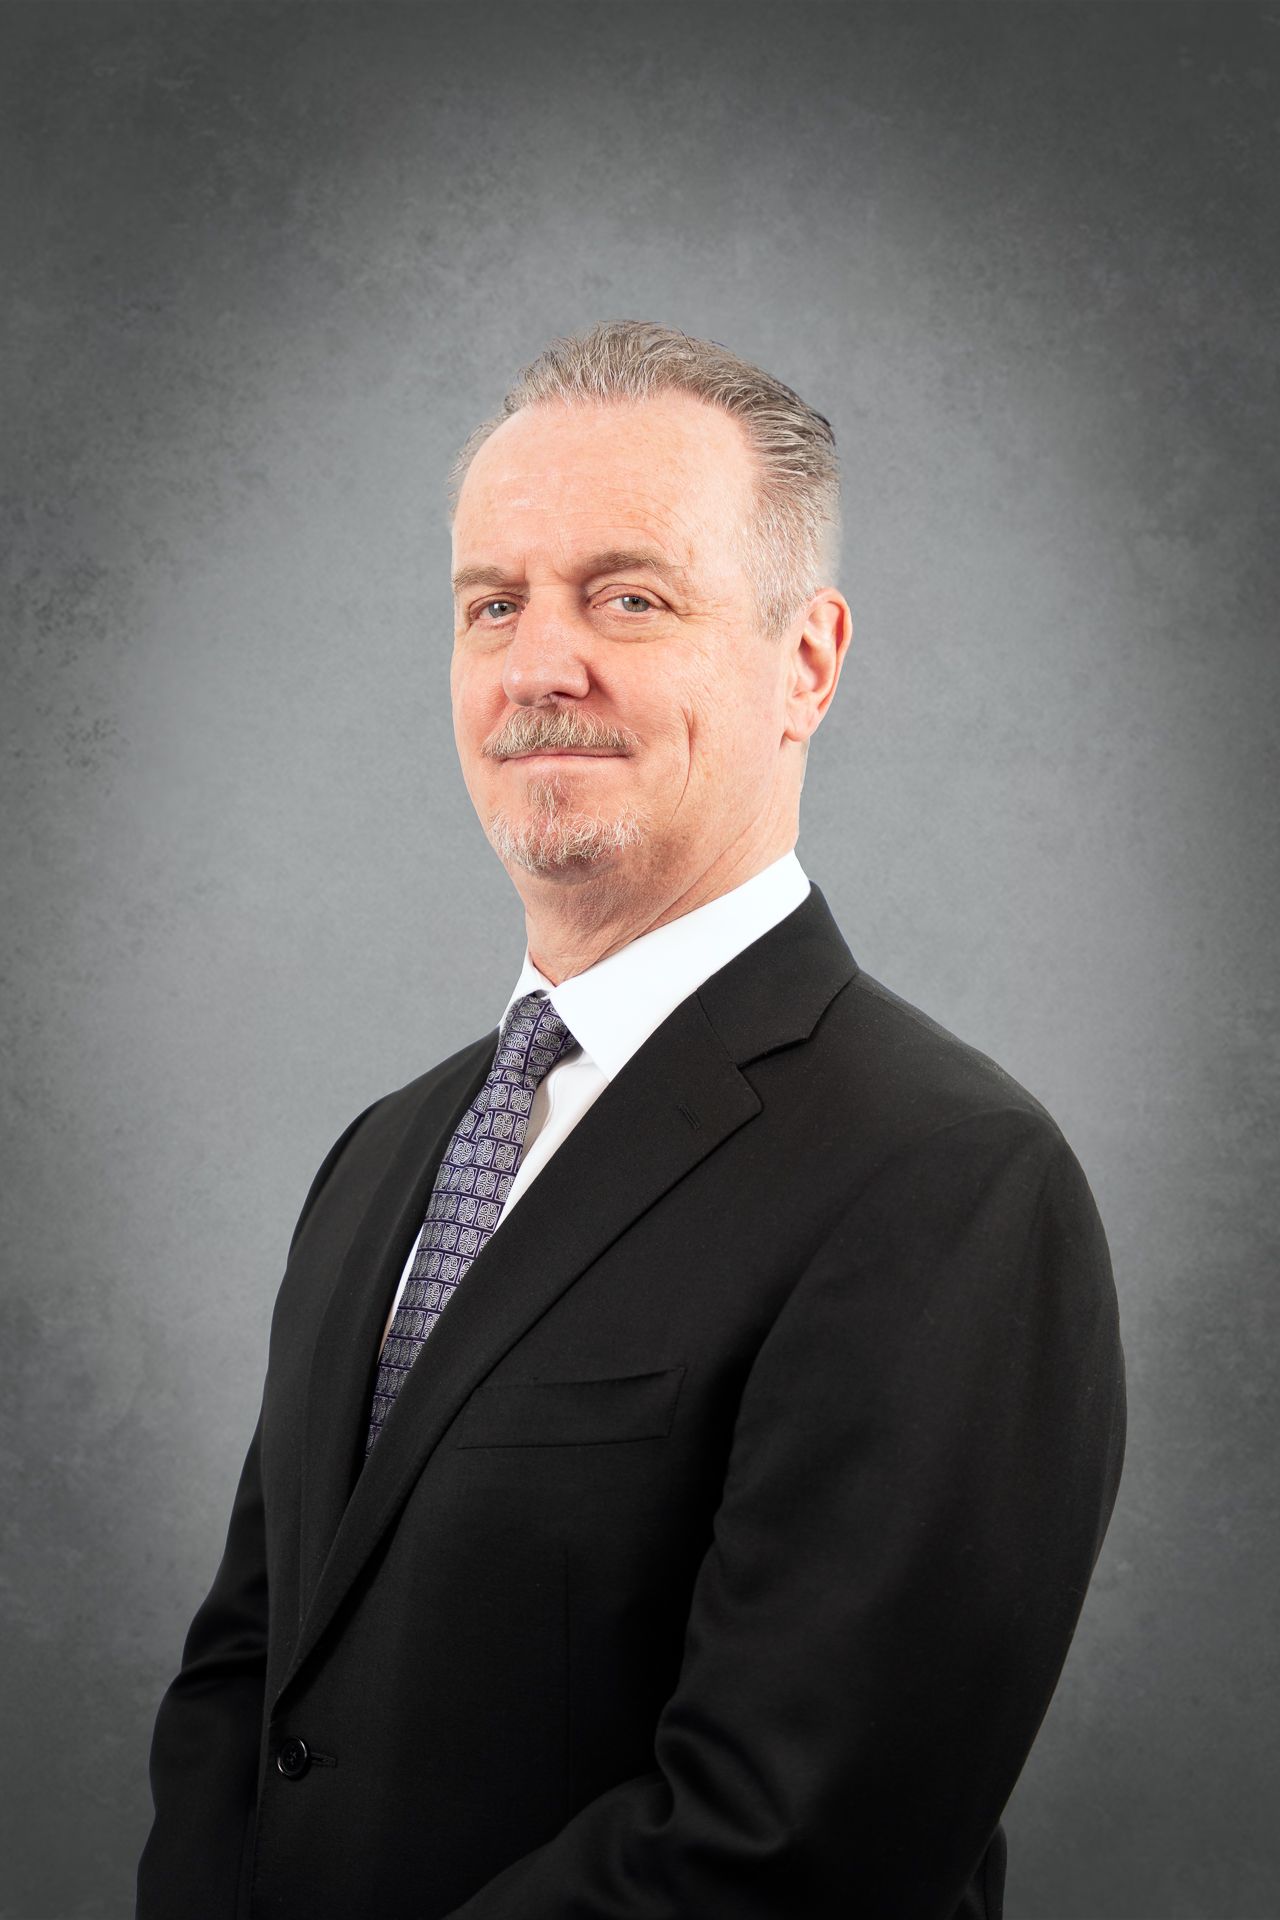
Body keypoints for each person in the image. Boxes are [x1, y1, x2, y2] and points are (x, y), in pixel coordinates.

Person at [137, 320, 1126, 1920]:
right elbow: (248, 1684)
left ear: (805, 662)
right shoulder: (388, 1154)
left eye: (629, 598)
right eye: (492, 605)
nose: (540, 664)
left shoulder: (948, 1183)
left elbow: (792, 1848)